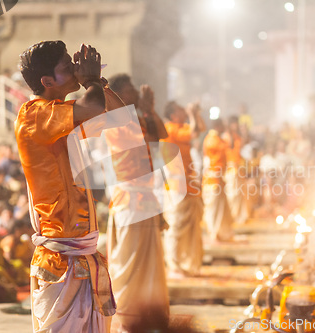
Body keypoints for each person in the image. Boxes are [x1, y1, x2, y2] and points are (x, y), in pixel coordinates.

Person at [15, 41, 115, 332]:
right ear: (47, 82)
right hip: (61, 261)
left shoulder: (63, 114)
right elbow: (94, 106)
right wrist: (91, 81)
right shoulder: (34, 115)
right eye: (66, 67)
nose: (75, 69)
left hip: (82, 254)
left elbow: (121, 120)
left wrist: (100, 84)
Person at [107, 73, 170, 332]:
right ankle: (128, 315)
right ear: (120, 95)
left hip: (145, 199)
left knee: (150, 264)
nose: (135, 91)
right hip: (130, 202)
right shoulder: (115, 121)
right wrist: (143, 112)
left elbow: (160, 137)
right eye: (130, 88)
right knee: (129, 263)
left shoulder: (138, 119)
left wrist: (150, 111)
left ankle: (148, 313)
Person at [161, 101, 205, 277]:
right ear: (173, 115)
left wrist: (195, 114)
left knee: (190, 224)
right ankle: (174, 265)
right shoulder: (170, 128)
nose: (184, 112)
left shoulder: (180, 126)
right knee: (177, 225)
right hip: (176, 184)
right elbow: (194, 132)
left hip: (188, 182)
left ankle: (185, 262)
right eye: (181, 110)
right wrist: (192, 114)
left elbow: (199, 128)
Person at [202, 119, 234, 242]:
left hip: (219, 179)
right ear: (217, 126)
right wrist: (228, 132)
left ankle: (221, 233)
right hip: (212, 180)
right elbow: (227, 145)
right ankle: (213, 233)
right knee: (213, 208)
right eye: (222, 127)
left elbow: (229, 146)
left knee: (221, 208)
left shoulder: (218, 139)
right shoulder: (211, 139)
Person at [223, 115, 249, 225]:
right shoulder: (226, 136)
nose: (236, 125)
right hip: (230, 168)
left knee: (240, 194)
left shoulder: (236, 136)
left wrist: (244, 132)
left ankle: (239, 216)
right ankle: (231, 216)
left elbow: (242, 145)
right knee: (232, 194)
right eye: (234, 123)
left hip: (238, 167)